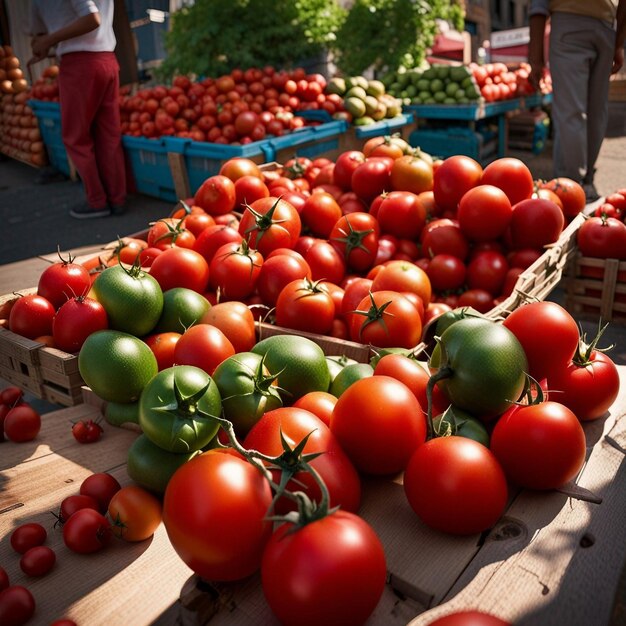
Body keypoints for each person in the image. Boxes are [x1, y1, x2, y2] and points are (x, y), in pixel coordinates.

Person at [29, 0, 127, 219]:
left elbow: (91, 18)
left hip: (79, 65)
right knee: (108, 134)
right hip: (107, 59)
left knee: (76, 137)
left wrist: (47, 41)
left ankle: (97, 201)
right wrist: (45, 42)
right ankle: (117, 198)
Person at [528, 0, 626, 203]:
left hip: (569, 21)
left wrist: (535, 58)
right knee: (597, 111)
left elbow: (539, 5)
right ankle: (586, 183)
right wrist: (618, 43)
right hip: (607, 26)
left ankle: (570, 188)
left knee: (570, 111)